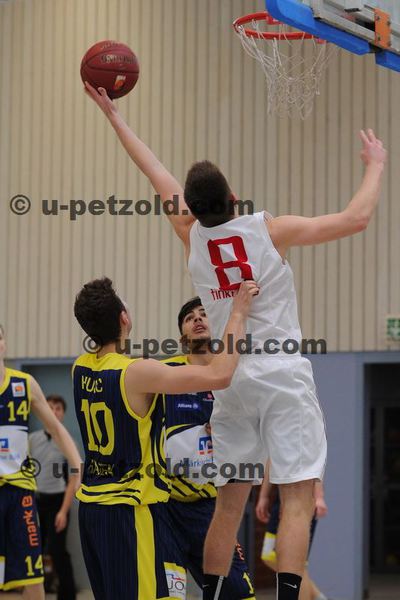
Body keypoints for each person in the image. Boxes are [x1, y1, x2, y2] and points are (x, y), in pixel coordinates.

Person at [84, 82, 387, 600]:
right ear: (233, 199)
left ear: (192, 207)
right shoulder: (269, 230)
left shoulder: (190, 235)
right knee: (297, 499)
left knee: (228, 504)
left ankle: (213, 594)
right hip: (281, 375)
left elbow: (153, 169)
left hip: (231, 380)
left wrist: (114, 116)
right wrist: (376, 165)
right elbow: (355, 219)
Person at [72, 276, 257, 600]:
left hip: (91, 507)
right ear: (124, 318)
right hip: (131, 507)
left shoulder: (80, 367)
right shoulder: (138, 372)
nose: (198, 320)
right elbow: (220, 374)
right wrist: (238, 313)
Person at [163, 296, 255, 599]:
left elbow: (255, 438)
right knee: (169, 593)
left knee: (239, 593)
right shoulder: (166, 373)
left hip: (208, 508)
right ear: (182, 335)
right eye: (189, 317)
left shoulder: (236, 379)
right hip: (164, 507)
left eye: (203, 314)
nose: (197, 319)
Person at [0, 324, 81, 600]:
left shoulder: (24, 384)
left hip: (20, 493)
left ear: (4, 343)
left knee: (33, 577)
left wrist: (76, 464)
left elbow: (56, 429)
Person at [256, 463, 329, 600]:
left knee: (297, 565)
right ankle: (318, 597)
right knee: (271, 556)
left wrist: (319, 496)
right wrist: (263, 496)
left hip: (303, 497)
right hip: (282, 497)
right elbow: (271, 459)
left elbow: (317, 460)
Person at [29, 394, 77, 600]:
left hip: (58, 503)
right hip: (35, 502)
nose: (54, 412)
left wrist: (63, 512)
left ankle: (67, 595)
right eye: (50, 408)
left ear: (63, 413)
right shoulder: (32, 440)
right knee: (33, 551)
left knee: (58, 551)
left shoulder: (67, 441)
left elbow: (74, 478)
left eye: (58, 408)